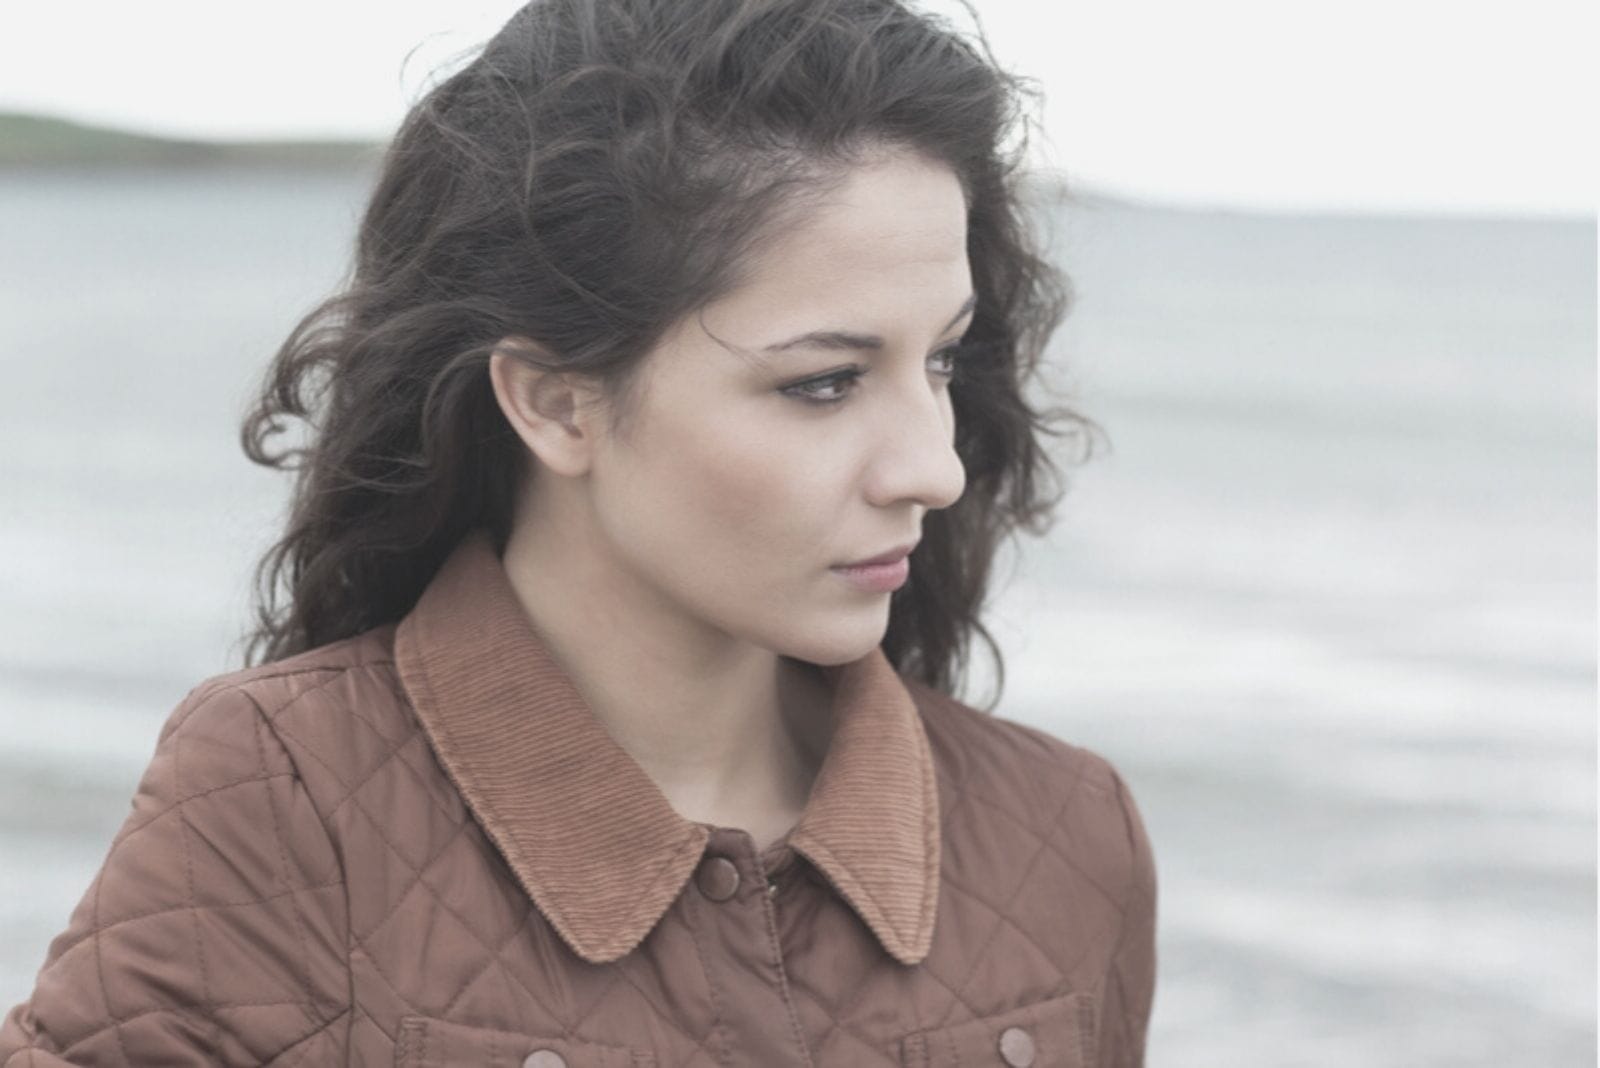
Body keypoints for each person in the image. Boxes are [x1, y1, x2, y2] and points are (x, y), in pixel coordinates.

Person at [0, 0, 1157, 1063]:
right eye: (824, 383)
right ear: (555, 402)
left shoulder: (1068, 836)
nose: (936, 467)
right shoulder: (286, 798)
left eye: (942, 358)